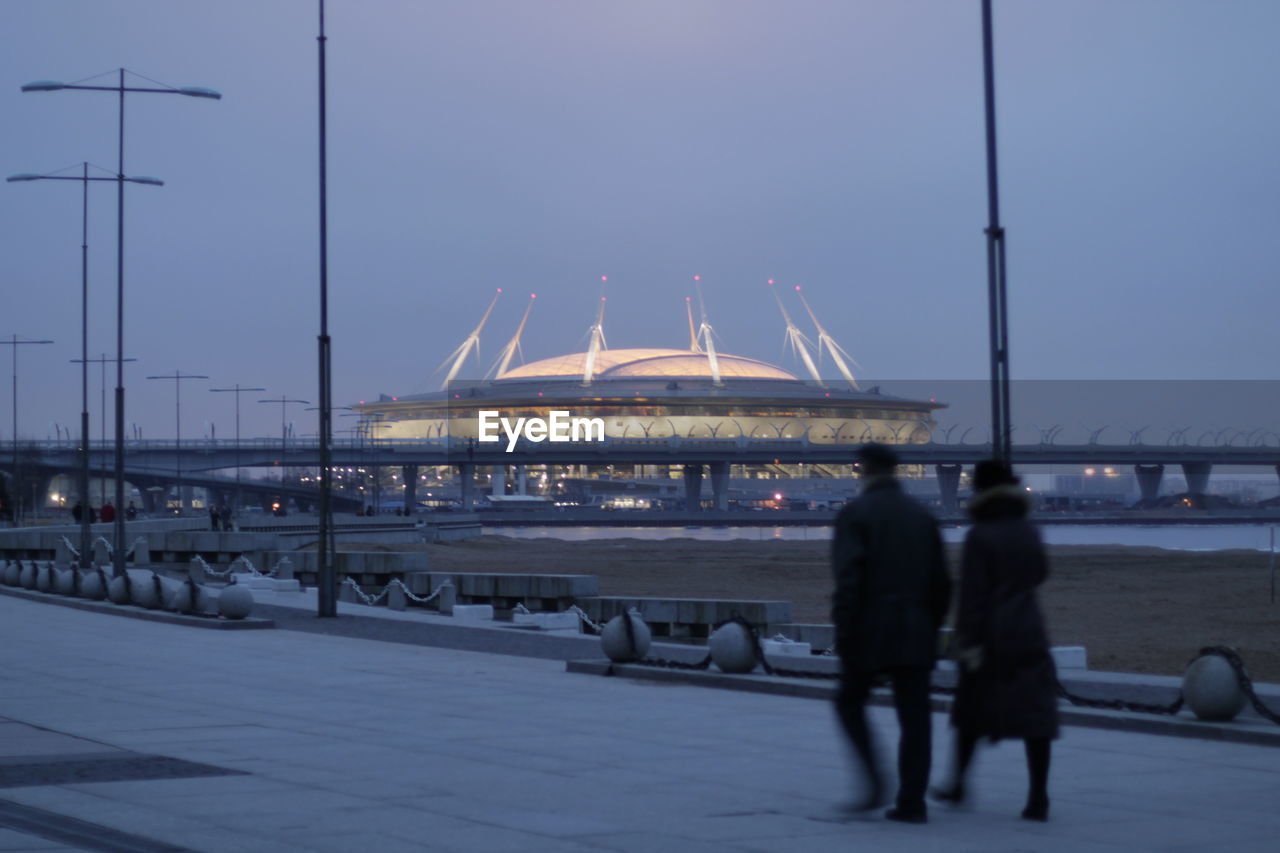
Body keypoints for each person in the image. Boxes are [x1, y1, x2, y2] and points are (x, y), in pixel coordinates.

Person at [831, 443, 952, 823]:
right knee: (915, 717)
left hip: (869, 628)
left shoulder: (856, 513)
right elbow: (943, 583)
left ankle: (873, 783)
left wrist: (845, 627)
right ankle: (912, 801)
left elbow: (849, 578)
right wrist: (929, 625)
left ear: (863, 469)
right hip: (916, 628)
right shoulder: (921, 515)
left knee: (850, 703)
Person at [933, 459, 1059, 821]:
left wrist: (966, 640)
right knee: (1037, 718)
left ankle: (957, 783)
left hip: (990, 634)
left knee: (971, 713)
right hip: (1029, 629)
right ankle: (1038, 798)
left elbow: (972, 595)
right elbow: (1040, 574)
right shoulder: (1028, 530)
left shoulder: (980, 534)